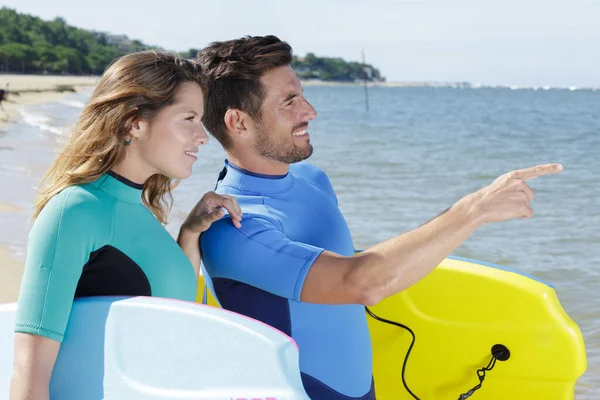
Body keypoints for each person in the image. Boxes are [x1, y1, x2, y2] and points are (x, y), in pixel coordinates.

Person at [196, 35, 563, 400]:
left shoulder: (312, 180)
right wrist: (474, 209)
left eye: (302, 94)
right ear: (238, 123)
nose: (310, 111)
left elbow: (359, 267)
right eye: (289, 102)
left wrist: (471, 209)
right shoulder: (233, 227)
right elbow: (363, 283)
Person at [9, 51, 242, 400]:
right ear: (135, 122)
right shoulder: (73, 212)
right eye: (188, 119)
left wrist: (190, 232)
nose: (202, 135)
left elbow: (171, 308)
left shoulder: (140, 210)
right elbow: (30, 374)